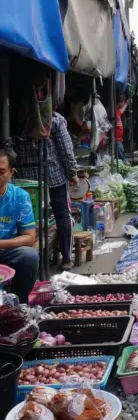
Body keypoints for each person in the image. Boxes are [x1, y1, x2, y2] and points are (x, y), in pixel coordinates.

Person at [16, 110, 79, 271]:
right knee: (63, 214)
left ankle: (29, 260)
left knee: (29, 217)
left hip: (26, 178)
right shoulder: (55, 119)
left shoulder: (17, 117)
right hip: (53, 175)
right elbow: (65, 149)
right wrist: (72, 172)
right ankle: (66, 259)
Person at [0, 149, 39, 303]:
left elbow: (30, 238)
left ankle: (19, 305)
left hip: (8, 251)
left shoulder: (21, 197)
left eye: (1, 172)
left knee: (29, 256)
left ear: (12, 173)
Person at [115, 96, 128, 161]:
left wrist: (126, 104)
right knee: (122, 158)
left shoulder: (117, 111)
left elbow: (122, 110)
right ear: (120, 102)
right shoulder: (113, 112)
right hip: (116, 140)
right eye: (123, 102)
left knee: (122, 156)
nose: (123, 104)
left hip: (119, 139)